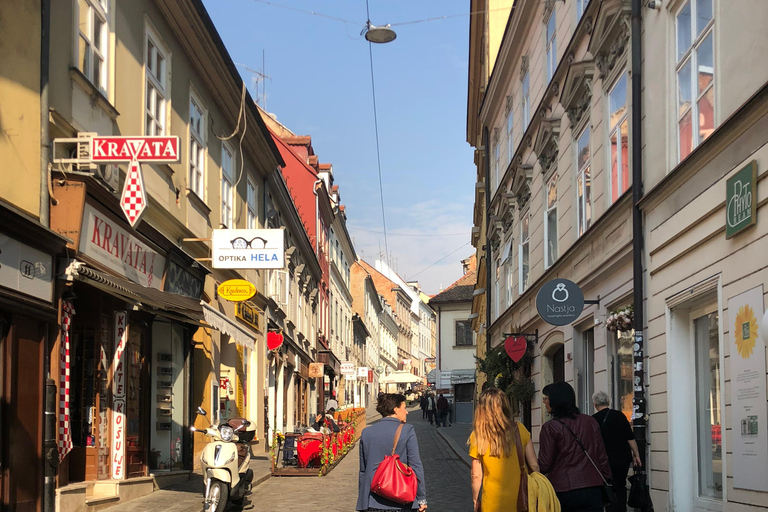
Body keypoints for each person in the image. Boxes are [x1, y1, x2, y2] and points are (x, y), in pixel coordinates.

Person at [539, 382, 612, 512]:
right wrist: (607, 478)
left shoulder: (550, 427)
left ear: (556, 400)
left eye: (546, 398)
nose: (544, 402)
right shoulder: (590, 421)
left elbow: (545, 464)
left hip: (564, 490)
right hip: (592, 488)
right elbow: (601, 455)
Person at [469, 388, 539, 512]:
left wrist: (475, 499)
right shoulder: (519, 430)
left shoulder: (478, 435)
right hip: (519, 500)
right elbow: (534, 465)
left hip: (491, 502)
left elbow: (476, 475)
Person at [356, 393, 427, 511]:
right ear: (395, 410)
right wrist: (421, 498)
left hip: (372, 499)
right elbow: (415, 466)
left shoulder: (366, 433)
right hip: (401, 498)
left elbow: (363, 471)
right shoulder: (407, 430)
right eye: (404, 408)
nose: (407, 412)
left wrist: (362, 501)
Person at [592, 391, 642, 512]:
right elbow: (630, 437)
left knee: (607, 486)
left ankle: (610, 508)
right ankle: (620, 508)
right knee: (620, 486)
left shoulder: (593, 420)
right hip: (622, 459)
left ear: (595, 404)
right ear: (608, 402)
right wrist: (636, 455)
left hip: (603, 460)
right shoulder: (619, 415)